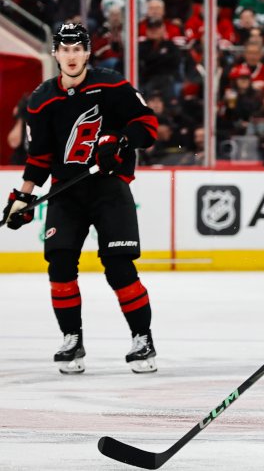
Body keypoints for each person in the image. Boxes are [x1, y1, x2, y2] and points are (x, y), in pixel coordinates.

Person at [1, 24, 159, 374]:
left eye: (77, 49)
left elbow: (147, 125)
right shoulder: (41, 99)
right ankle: (72, 340)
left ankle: (142, 339)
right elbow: (39, 158)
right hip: (66, 192)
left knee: (119, 266)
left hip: (108, 188)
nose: (71, 56)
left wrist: (119, 140)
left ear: (88, 52)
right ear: (55, 54)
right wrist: (22, 199)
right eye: (64, 49)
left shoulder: (112, 85)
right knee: (59, 266)